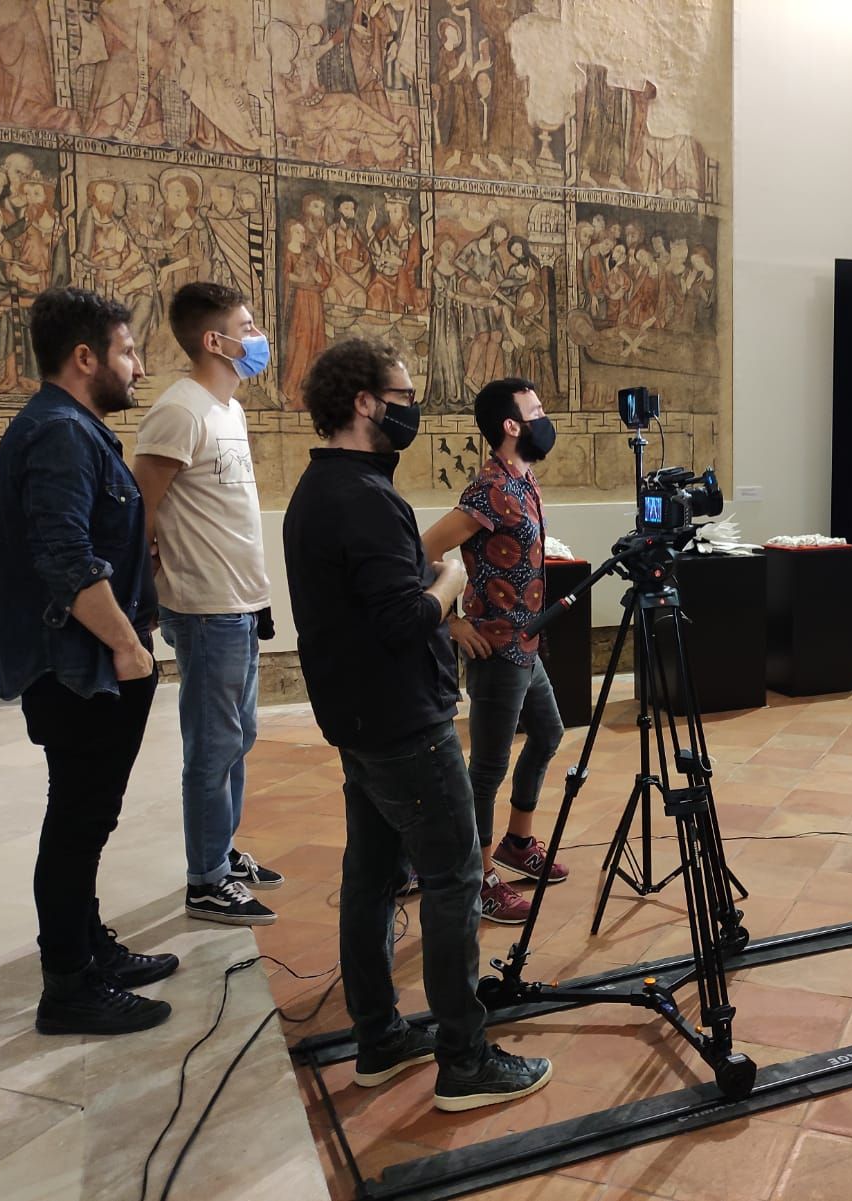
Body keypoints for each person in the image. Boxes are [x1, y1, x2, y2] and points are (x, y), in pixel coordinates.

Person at [282, 337, 552, 1108]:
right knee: (453, 877)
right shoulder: (364, 499)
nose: (413, 404)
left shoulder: (323, 487)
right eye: (403, 393)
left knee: (370, 879)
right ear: (366, 402)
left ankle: (380, 1037)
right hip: (403, 719)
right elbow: (405, 618)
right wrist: (451, 581)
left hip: (360, 716)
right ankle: (464, 1059)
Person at [0, 287, 176, 1036]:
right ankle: (67, 983)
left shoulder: (72, 427)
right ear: (85, 357)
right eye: (128, 351)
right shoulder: (61, 432)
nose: (137, 366)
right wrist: (128, 645)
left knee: (86, 819)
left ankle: (86, 946)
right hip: (81, 668)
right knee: (76, 819)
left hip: (91, 663)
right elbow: (65, 556)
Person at [133, 282, 282, 926]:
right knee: (212, 744)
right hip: (204, 606)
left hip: (240, 600)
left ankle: (222, 851)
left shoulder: (230, 410)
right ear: (213, 340)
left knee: (239, 737)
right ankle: (205, 880)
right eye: (246, 327)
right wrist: (150, 583)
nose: (256, 338)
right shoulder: (179, 411)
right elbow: (141, 509)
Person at [422, 377, 567, 924]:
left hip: (526, 644)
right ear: (511, 425)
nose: (544, 416)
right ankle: (481, 876)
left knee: (549, 734)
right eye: (536, 410)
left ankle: (517, 843)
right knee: (487, 770)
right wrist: (452, 622)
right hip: (496, 650)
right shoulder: (487, 490)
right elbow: (425, 551)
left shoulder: (522, 480)